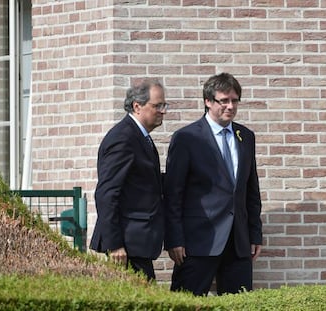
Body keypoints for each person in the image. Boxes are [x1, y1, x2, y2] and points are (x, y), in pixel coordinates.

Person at [164, 72, 262, 296]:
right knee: (186, 303)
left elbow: (251, 191)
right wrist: (174, 239)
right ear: (208, 101)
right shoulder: (187, 138)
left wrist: (255, 234)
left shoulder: (246, 136)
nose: (230, 106)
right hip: (197, 243)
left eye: (235, 100)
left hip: (238, 243)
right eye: (224, 100)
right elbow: (173, 194)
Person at [90, 78, 168, 281]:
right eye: (157, 105)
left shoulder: (140, 137)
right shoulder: (123, 138)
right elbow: (107, 193)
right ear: (137, 106)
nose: (163, 111)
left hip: (137, 244)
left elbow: (142, 182)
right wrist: (114, 244)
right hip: (125, 247)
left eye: (164, 105)